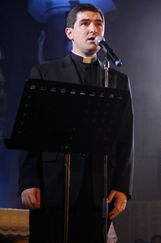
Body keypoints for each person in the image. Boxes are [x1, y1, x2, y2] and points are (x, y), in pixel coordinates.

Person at [18, 4, 134, 243]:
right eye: (85, 23)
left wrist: (122, 187)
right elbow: (31, 130)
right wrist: (29, 182)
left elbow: (126, 137)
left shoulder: (116, 80)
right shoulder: (45, 72)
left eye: (99, 23)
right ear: (69, 32)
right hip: (52, 183)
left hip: (98, 186)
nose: (93, 29)